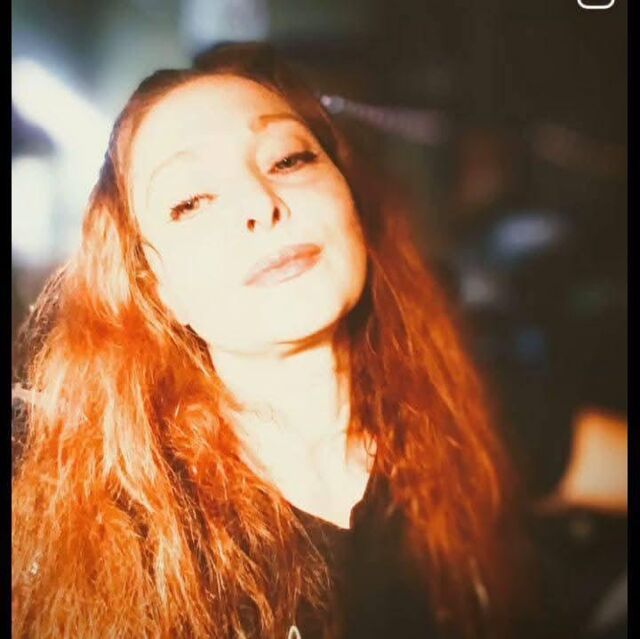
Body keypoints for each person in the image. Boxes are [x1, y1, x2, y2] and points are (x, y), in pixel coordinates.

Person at [12, 43, 529, 639]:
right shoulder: (109, 536)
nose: (260, 203)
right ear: (157, 288)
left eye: (287, 159)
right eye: (190, 201)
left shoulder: (465, 414)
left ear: (349, 196)